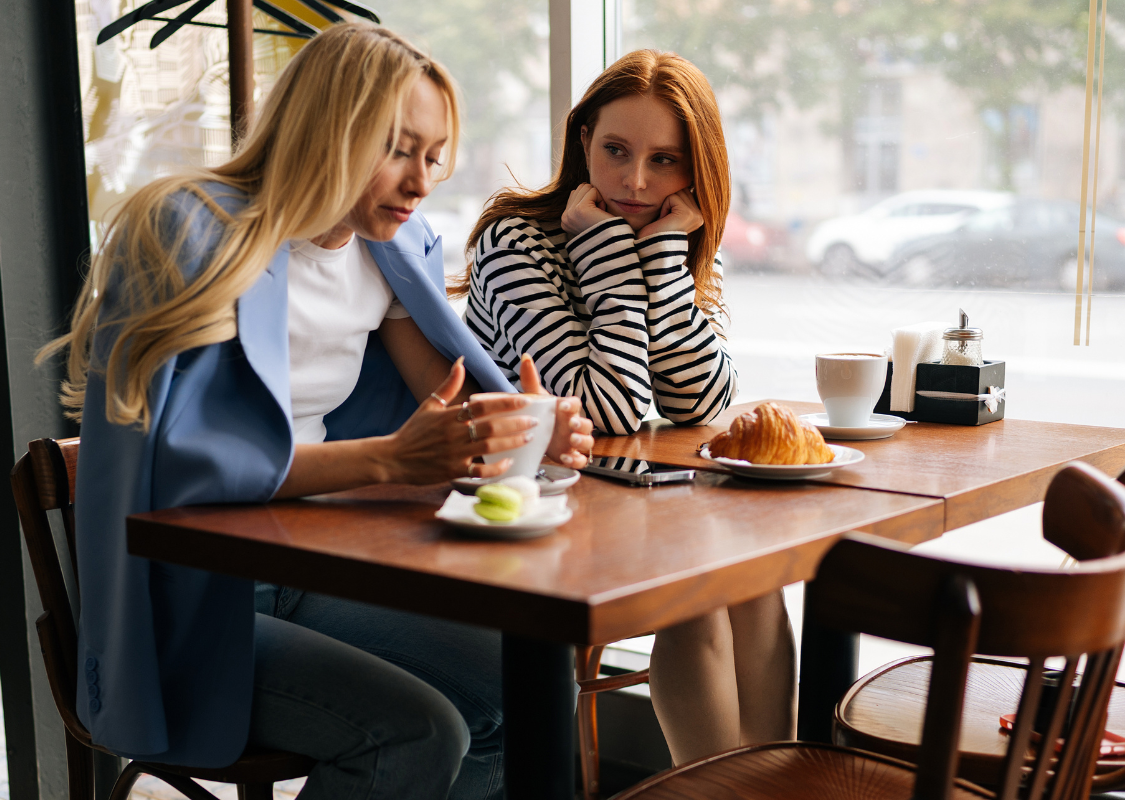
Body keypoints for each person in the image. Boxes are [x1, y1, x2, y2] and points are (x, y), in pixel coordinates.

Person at [41, 23, 592, 800]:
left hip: (312, 564)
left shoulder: (391, 247)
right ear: (331, 128)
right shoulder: (188, 231)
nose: (420, 180)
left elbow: (452, 393)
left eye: (434, 157)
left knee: (532, 692)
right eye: (398, 148)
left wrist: (530, 427)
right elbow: (176, 466)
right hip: (193, 593)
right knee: (419, 731)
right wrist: (390, 459)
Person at [458, 50, 796, 764]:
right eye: (615, 150)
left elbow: (701, 400)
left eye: (665, 161)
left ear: (694, 168)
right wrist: (609, 248)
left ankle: (770, 787)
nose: (636, 181)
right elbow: (609, 410)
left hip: (622, 498)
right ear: (584, 141)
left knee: (756, 581)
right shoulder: (515, 240)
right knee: (697, 592)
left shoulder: (671, 234)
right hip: (523, 505)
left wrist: (663, 255)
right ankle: (712, 791)